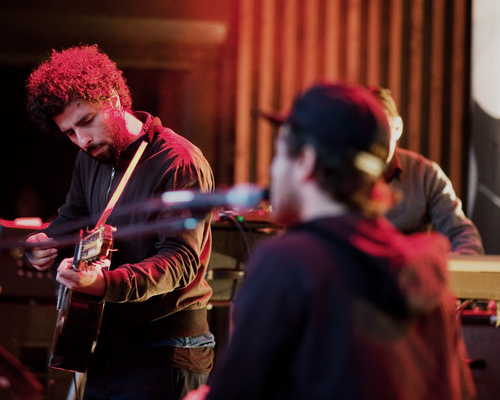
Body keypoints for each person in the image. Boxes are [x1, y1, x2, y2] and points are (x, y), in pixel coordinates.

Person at [185, 82, 476, 400]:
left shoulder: (286, 263)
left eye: (280, 153)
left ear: (306, 161)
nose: (272, 170)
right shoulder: (430, 278)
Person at [24, 44, 215, 400]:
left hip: (167, 348)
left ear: (113, 100)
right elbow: (73, 217)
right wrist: (44, 242)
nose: (82, 140)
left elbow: (180, 261)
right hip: (106, 346)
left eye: (86, 122)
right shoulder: (89, 159)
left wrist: (105, 284)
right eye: (69, 133)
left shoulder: (179, 161)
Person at [368, 86, 484, 255]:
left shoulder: (426, 175)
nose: (374, 138)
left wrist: (453, 272)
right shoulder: (338, 173)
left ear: (398, 128)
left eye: (382, 127)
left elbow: (462, 235)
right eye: (365, 130)